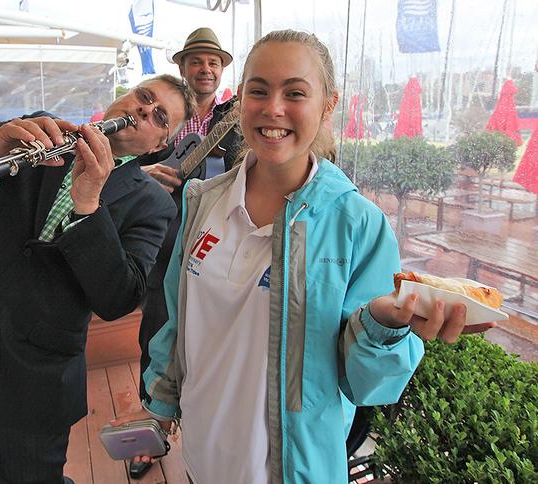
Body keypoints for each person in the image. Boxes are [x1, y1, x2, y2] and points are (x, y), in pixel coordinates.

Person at [113, 30, 495, 483]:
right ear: (240, 103)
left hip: (293, 470)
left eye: (295, 92)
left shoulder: (356, 223)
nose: (273, 108)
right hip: (201, 456)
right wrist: (159, 406)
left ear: (327, 105)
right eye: (258, 91)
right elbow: (178, 323)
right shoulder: (202, 202)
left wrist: (383, 326)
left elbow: (370, 385)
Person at [0, 74, 195, 484]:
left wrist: (88, 203)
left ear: (159, 145)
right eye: (143, 97)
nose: (142, 111)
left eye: (159, 117)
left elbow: (120, 296)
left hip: (29, 377)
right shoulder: (45, 130)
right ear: (123, 96)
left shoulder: (152, 203)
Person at [130, 29, 240, 478]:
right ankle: (150, 431)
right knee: (155, 328)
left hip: (214, 240)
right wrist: (143, 177)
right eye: (197, 61)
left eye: (213, 62)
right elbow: (126, 164)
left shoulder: (234, 117)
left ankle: (201, 424)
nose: (206, 69)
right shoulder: (160, 114)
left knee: (212, 334)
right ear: (183, 67)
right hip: (161, 237)